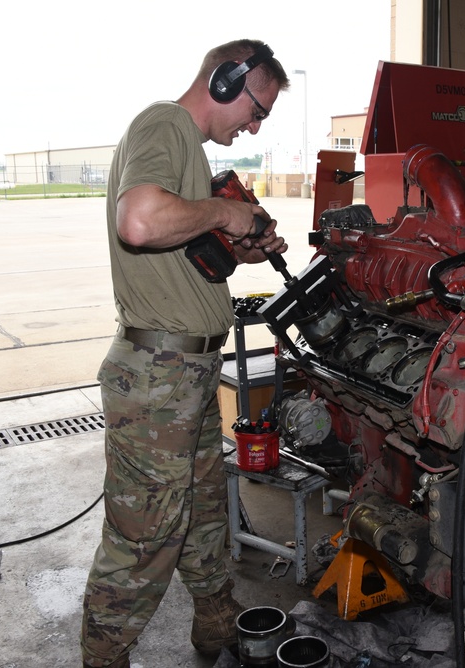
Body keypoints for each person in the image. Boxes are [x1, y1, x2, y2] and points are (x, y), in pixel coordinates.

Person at [80, 39, 290, 668]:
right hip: (157, 377)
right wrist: (227, 209)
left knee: (201, 512)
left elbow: (183, 250)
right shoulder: (164, 124)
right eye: (257, 109)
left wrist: (239, 244)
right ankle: (103, 656)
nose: (254, 125)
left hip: (188, 375)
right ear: (226, 80)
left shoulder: (190, 157)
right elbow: (140, 223)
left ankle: (217, 626)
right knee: (145, 534)